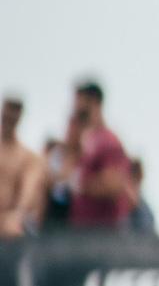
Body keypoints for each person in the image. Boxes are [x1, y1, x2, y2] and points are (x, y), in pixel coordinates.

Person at [62, 82, 134, 230]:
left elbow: (114, 185)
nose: (75, 107)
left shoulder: (108, 141)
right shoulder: (85, 140)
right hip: (81, 229)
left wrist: (79, 184)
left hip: (104, 234)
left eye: (79, 101)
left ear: (93, 102)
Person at [0, 96, 46, 238]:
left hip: (8, 229)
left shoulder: (28, 157)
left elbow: (28, 192)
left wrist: (17, 215)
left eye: (15, 112)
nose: (10, 117)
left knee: (15, 228)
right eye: (8, 111)